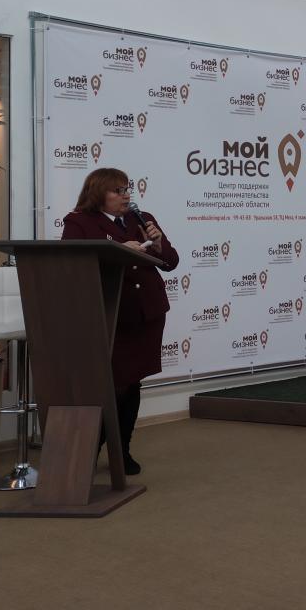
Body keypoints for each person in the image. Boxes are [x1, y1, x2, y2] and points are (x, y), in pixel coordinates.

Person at [60, 167, 179, 475]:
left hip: (147, 311)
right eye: (118, 190)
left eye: (127, 189)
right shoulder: (79, 222)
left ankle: (121, 450)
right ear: (98, 192)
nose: (126, 195)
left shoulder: (142, 219)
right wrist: (117, 252)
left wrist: (158, 243)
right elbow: (71, 265)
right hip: (111, 313)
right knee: (112, 384)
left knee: (132, 381)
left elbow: (170, 262)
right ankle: (92, 446)